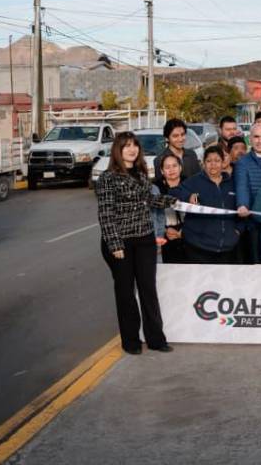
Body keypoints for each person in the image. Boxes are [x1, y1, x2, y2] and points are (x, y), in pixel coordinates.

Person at [95, 131, 176, 355]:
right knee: (126, 294)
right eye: (126, 146)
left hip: (145, 240)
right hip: (120, 243)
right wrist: (115, 245)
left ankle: (156, 339)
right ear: (118, 151)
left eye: (135, 145)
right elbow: (106, 214)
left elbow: (150, 200)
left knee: (148, 290)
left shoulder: (141, 175)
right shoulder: (107, 178)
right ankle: (130, 341)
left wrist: (175, 201)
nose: (132, 149)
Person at [179, 143, 244, 264]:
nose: (213, 164)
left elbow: (243, 208)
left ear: (223, 162)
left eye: (217, 160)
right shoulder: (193, 181)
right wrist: (188, 197)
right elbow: (175, 193)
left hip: (228, 249)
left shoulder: (233, 183)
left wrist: (238, 230)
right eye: (209, 161)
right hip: (198, 248)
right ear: (203, 163)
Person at [233, 122, 261, 264]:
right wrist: (242, 205)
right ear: (250, 139)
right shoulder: (243, 162)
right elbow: (242, 186)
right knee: (257, 262)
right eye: (256, 137)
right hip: (254, 221)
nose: (260, 141)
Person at [151, 152, 188, 264]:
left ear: (180, 167)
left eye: (174, 166)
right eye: (167, 167)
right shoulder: (155, 188)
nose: (171, 170)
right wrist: (165, 230)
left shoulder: (190, 183)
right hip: (165, 235)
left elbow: (197, 208)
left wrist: (184, 230)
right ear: (162, 171)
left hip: (188, 234)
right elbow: (153, 214)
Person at [153, 118, 201, 182]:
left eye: (182, 134)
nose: (180, 139)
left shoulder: (192, 154)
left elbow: (198, 179)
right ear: (167, 138)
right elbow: (161, 187)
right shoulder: (160, 160)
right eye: (175, 136)